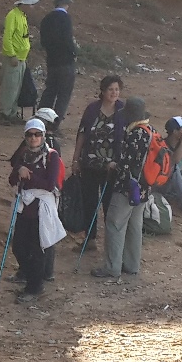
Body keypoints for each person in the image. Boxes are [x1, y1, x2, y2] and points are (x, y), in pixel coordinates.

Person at [93, 97, 156, 282]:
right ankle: (132, 264)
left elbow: (127, 164)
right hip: (144, 189)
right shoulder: (151, 131)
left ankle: (112, 267)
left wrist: (113, 165)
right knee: (135, 226)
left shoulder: (135, 134)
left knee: (115, 224)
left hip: (127, 187)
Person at [8, 116, 67, 299]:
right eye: (30, 134)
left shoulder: (52, 156)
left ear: (43, 136)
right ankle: (31, 277)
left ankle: (34, 287)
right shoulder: (23, 154)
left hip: (40, 209)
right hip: (24, 207)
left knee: (36, 249)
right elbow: (12, 179)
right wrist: (19, 171)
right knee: (18, 246)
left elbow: (50, 184)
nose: (33, 138)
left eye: (37, 134)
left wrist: (29, 175)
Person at [71, 74, 126, 242]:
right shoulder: (92, 109)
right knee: (89, 203)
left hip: (112, 167)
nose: (114, 93)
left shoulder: (123, 111)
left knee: (110, 205)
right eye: (110, 89)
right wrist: (75, 159)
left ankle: (112, 243)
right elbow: (82, 134)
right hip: (90, 164)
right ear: (102, 91)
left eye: (117, 89)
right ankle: (89, 239)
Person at [35, 0, 78, 129]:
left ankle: (41, 119)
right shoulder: (65, 19)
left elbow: (43, 42)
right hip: (66, 61)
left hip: (52, 61)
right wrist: (74, 52)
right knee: (64, 94)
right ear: (67, 3)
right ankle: (55, 123)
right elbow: (67, 40)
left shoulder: (46, 18)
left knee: (50, 90)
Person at [0, 0, 39, 125]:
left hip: (21, 58)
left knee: (16, 87)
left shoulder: (22, 16)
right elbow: (7, 38)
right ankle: (4, 113)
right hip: (14, 58)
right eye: (31, 4)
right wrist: (12, 55)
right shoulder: (13, 16)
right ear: (25, 4)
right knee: (10, 87)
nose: (33, 7)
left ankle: (11, 112)